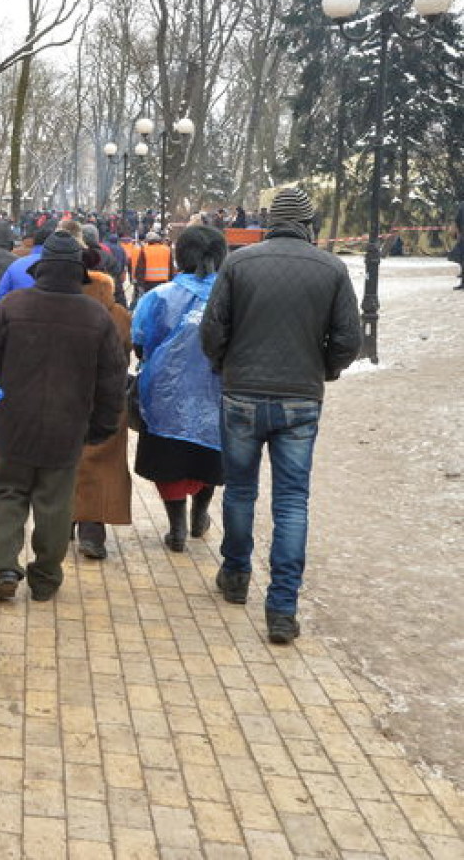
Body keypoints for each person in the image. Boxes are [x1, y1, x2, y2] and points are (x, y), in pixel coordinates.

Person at [200, 188, 361, 645]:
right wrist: (323, 368)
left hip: (242, 394)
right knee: (292, 501)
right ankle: (282, 608)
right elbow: (348, 339)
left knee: (240, 490)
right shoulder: (331, 268)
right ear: (308, 224)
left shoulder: (239, 263)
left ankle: (235, 574)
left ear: (269, 222)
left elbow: (213, 330)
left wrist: (225, 364)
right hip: (299, 399)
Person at [0, 232, 128, 601]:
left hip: (14, 424)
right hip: (68, 426)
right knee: (55, 502)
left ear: (40, 271)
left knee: (8, 494)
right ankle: (45, 576)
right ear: (79, 273)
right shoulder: (97, 316)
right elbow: (113, 380)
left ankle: (6, 566)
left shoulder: (11, 307)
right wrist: (100, 427)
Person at [131, 225, 228, 554]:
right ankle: (201, 513)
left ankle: (177, 528)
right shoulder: (234, 297)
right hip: (217, 396)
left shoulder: (158, 297)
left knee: (168, 461)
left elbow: (140, 342)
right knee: (210, 457)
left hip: (165, 399)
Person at [72, 248, 133, 560]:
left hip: (68, 396)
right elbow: (127, 352)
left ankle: (64, 521)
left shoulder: (65, 309)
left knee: (68, 461)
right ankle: (92, 532)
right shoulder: (119, 314)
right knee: (101, 466)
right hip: (109, 400)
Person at [132, 231, 173, 304]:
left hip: (148, 284)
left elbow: (140, 268)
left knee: (150, 304)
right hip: (164, 283)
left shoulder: (145, 250)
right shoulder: (167, 249)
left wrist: (140, 284)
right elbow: (171, 268)